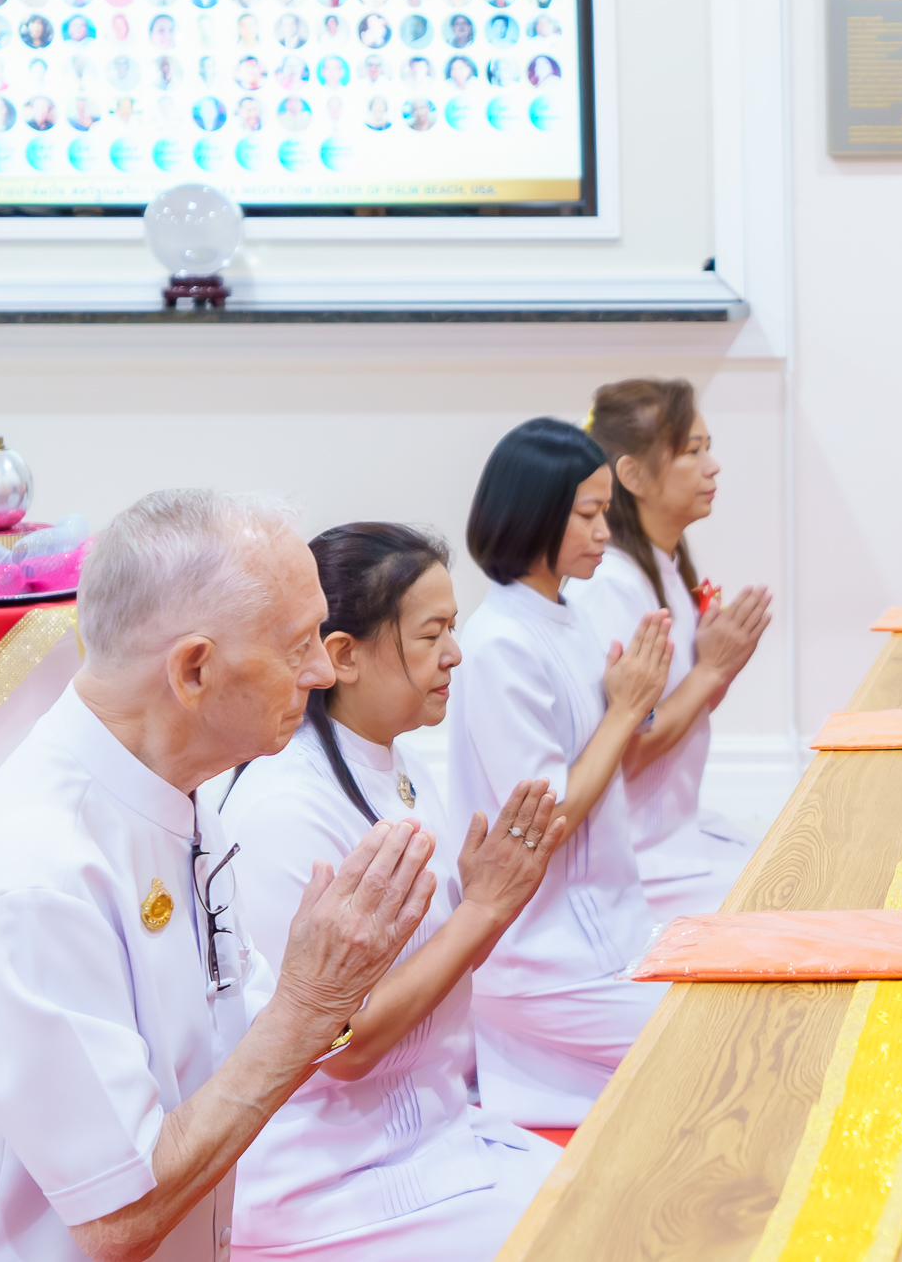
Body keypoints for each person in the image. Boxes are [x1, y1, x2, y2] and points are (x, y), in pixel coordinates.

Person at [0, 490, 439, 1262]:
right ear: (193, 670)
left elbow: (231, 1033)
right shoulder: (34, 873)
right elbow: (121, 1213)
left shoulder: (174, 795)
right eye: (297, 643)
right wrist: (312, 1004)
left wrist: (335, 989)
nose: (322, 668)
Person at [224, 523, 564, 1259]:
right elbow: (337, 1044)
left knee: (612, 1184)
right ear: (343, 655)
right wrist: (483, 909)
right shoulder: (286, 805)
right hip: (334, 1172)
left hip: (430, 1125)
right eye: (431, 633)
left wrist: (484, 904)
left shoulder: (394, 761)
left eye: (454, 628)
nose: (456, 654)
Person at [446, 419, 673, 1128]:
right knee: (717, 1041)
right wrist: (626, 707)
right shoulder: (499, 644)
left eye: (606, 510)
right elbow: (548, 819)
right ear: (535, 513)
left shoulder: (566, 615)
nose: (605, 529)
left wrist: (627, 706)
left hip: (609, 922)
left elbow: (607, 759)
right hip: (544, 957)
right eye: (588, 513)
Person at [578, 380, 773, 921]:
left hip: (673, 836)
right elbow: (625, 749)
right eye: (692, 451)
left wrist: (718, 667)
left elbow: (670, 713)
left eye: (707, 447)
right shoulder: (609, 587)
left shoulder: (658, 567)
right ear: (633, 475)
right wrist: (712, 669)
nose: (713, 467)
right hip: (639, 857)